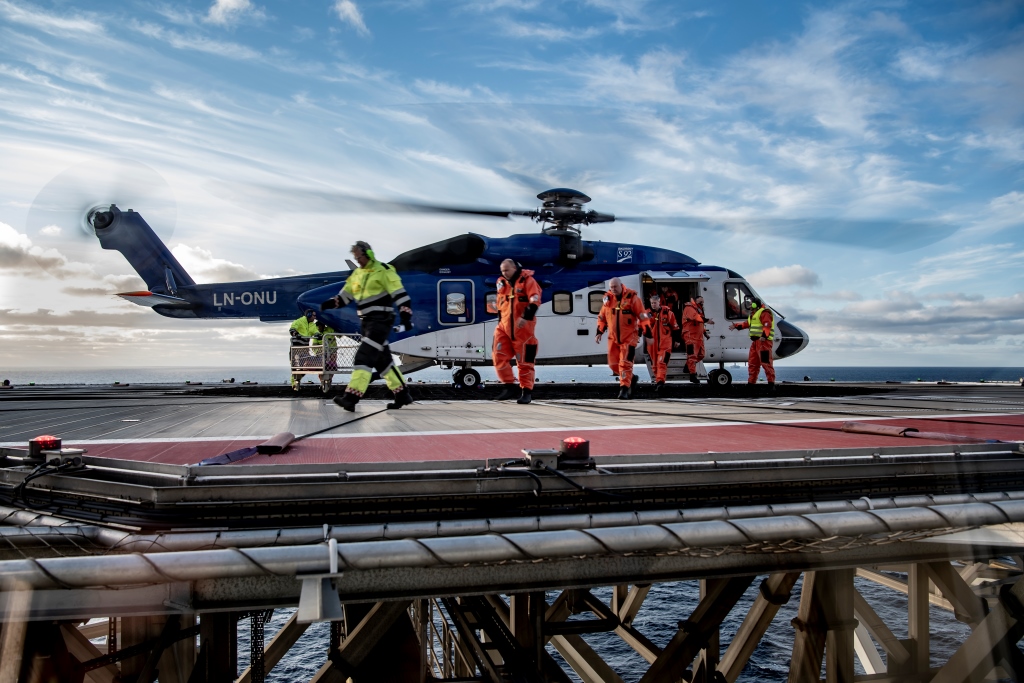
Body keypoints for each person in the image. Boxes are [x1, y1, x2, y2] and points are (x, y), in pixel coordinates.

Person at [323, 241, 414, 411]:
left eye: (360, 257)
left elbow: (399, 294)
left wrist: (406, 315)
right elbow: (345, 296)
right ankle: (402, 395)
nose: (358, 261)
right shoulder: (357, 275)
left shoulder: (384, 270)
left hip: (381, 321)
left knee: (363, 359)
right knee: (384, 363)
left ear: (369, 254)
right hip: (366, 322)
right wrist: (329, 304)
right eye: (355, 258)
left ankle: (351, 398)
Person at [489, 259, 542, 404]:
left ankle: (526, 392)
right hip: (504, 327)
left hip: (523, 329)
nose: (504, 273)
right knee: (498, 356)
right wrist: (500, 321)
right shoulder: (501, 283)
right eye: (502, 271)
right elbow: (500, 304)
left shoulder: (528, 281)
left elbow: (535, 300)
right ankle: (508, 385)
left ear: (514, 268)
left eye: (506, 270)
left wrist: (525, 317)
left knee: (525, 362)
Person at [596, 277, 651, 399]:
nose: (613, 289)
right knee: (613, 364)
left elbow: (643, 316)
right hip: (613, 338)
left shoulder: (633, 298)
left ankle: (624, 389)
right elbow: (602, 316)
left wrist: (648, 333)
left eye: (615, 287)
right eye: (611, 287)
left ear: (621, 285)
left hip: (629, 337)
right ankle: (631, 378)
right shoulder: (607, 299)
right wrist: (599, 331)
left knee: (625, 363)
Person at [730, 298, 775, 386]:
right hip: (756, 342)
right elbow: (746, 324)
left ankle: (771, 384)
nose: (749, 306)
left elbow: (767, 325)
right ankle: (751, 383)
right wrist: (736, 326)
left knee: (766, 363)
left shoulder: (764, 312)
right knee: (753, 363)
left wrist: (764, 336)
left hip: (763, 342)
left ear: (755, 304)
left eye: (751, 304)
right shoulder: (753, 315)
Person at [644, 294, 679, 393]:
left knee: (662, 363)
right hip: (652, 344)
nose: (653, 305)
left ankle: (660, 382)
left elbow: (675, 327)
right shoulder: (647, 313)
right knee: (654, 365)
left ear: (659, 302)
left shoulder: (668, 313)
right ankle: (658, 381)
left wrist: (677, 340)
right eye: (652, 303)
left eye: (655, 303)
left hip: (665, 343)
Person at [681, 295, 713, 384]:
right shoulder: (689, 308)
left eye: (702, 302)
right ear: (695, 301)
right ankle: (692, 375)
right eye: (700, 301)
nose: (702, 303)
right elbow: (696, 318)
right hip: (690, 336)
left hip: (698, 337)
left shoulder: (699, 310)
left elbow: (700, 324)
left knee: (701, 355)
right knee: (692, 356)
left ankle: (687, 366)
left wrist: (705, 333)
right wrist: (707, 320)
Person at [289, 309, 318, 391]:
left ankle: (297, 379)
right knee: (294, 366)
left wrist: (318, 334)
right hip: (296, 348)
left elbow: (315, 331)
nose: (315, 317)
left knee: (305, 367)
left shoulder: (312, 325)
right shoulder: (299, 321)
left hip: (305, 349)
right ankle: (294, 384)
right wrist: (296, 334)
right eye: (314, 315)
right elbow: (292, 329)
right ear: (308, 315)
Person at [312, 319, 338, 388]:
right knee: (321, 368)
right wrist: (318, 353)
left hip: (332, 352)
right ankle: (322, 381)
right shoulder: (316, 334)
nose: (318, 328)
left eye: (319, 326)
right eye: (317, 327)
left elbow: (339, 335)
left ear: (323, 326)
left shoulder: (330, 329)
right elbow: (314, 346)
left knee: (332, 367)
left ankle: (329, 379)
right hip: (321, 353)